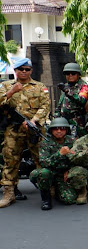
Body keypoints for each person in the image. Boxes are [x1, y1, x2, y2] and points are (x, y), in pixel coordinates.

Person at [0, 58, 51, 208]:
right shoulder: (5, 86)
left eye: (27, 69)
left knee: (41, 159)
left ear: (31, 71)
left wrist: (34, 121)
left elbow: (45, 105)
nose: (24, 72)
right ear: (15, 71)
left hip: (34, 128)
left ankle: (46, 192)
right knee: (10, 161)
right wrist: (11, 92)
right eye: (21, 69)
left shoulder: (40, 87)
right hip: (13, 130)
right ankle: (9, 194)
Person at [29, 117, 83, 209]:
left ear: (66, 130)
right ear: (51, 130)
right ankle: (46, 199)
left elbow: (77, 158)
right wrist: (59, 154)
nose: (59, 131)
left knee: (69, 199)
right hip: (50, 172)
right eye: (56, 129)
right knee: (43, 173)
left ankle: (57, 189)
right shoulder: (45, 143)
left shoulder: (72, 141)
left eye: (62, 128)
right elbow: (44, 163)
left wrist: (70, 170)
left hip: (63, 174)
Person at [55, 62, 88, 137]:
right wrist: (56, 115)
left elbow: (82, 100)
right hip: (64, 121)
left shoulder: (84, 86)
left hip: (77, 122)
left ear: (78, 75)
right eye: (67, 74)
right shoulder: (66, 86)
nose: (70, 76)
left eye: (73, 73)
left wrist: (68, 92)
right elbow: (61, 102)